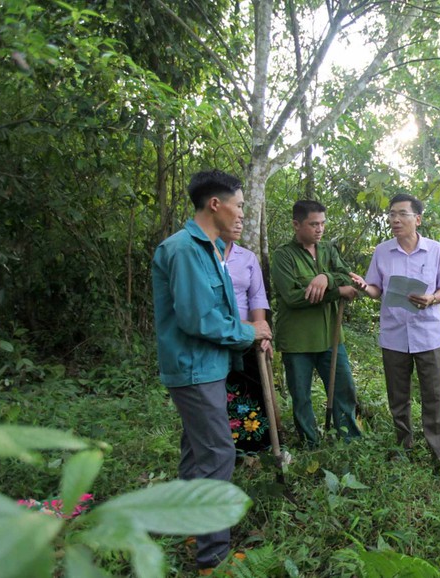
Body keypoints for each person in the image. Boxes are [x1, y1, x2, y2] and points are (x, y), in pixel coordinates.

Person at [151, 169, 272, 572]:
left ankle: (190, 524)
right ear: (215, 204)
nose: (241, 213)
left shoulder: (210, 248)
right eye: (238, 205)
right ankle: (212, 558)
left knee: (196, 448)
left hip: (207, 365)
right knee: (219, 452)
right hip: (194, 366)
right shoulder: (185, 249)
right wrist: (249, 331)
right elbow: (199, 319)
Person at [350, 193, 440, 473]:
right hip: (394, 334)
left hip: (428, 335)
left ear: (417, 219)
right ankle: (403, 448)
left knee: (434, 396)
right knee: (398, 396)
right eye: (391, 215)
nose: (395, 220)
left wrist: (431, 299)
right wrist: (364, 287)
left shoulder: (435, 250)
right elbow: (376, 289)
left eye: (402, 214)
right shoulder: (382, 251)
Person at [271, 200, 361, 446]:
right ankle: (309, 444)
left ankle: (349, 440)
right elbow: (292, 296)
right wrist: (337, 291)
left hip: (331, 336)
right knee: (301, 396)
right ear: (296, 224)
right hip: (297, 340)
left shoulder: (328, 251)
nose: (319, 229)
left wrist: (326, 277)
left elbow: (346, 275)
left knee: (344, 389)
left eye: (322, 223)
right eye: (313, 224)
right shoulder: (283, 255)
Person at [220, 223, 273, 453]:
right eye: (235, 216)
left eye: (243, 217)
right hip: (218, 335)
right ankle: (226, 448)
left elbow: (257, 296)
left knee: (250, 390)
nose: (239, 223)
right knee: (223, 392)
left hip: (247, 337)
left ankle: (254, 447)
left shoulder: (247, 257)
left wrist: (260, 332)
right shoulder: (204, 257)